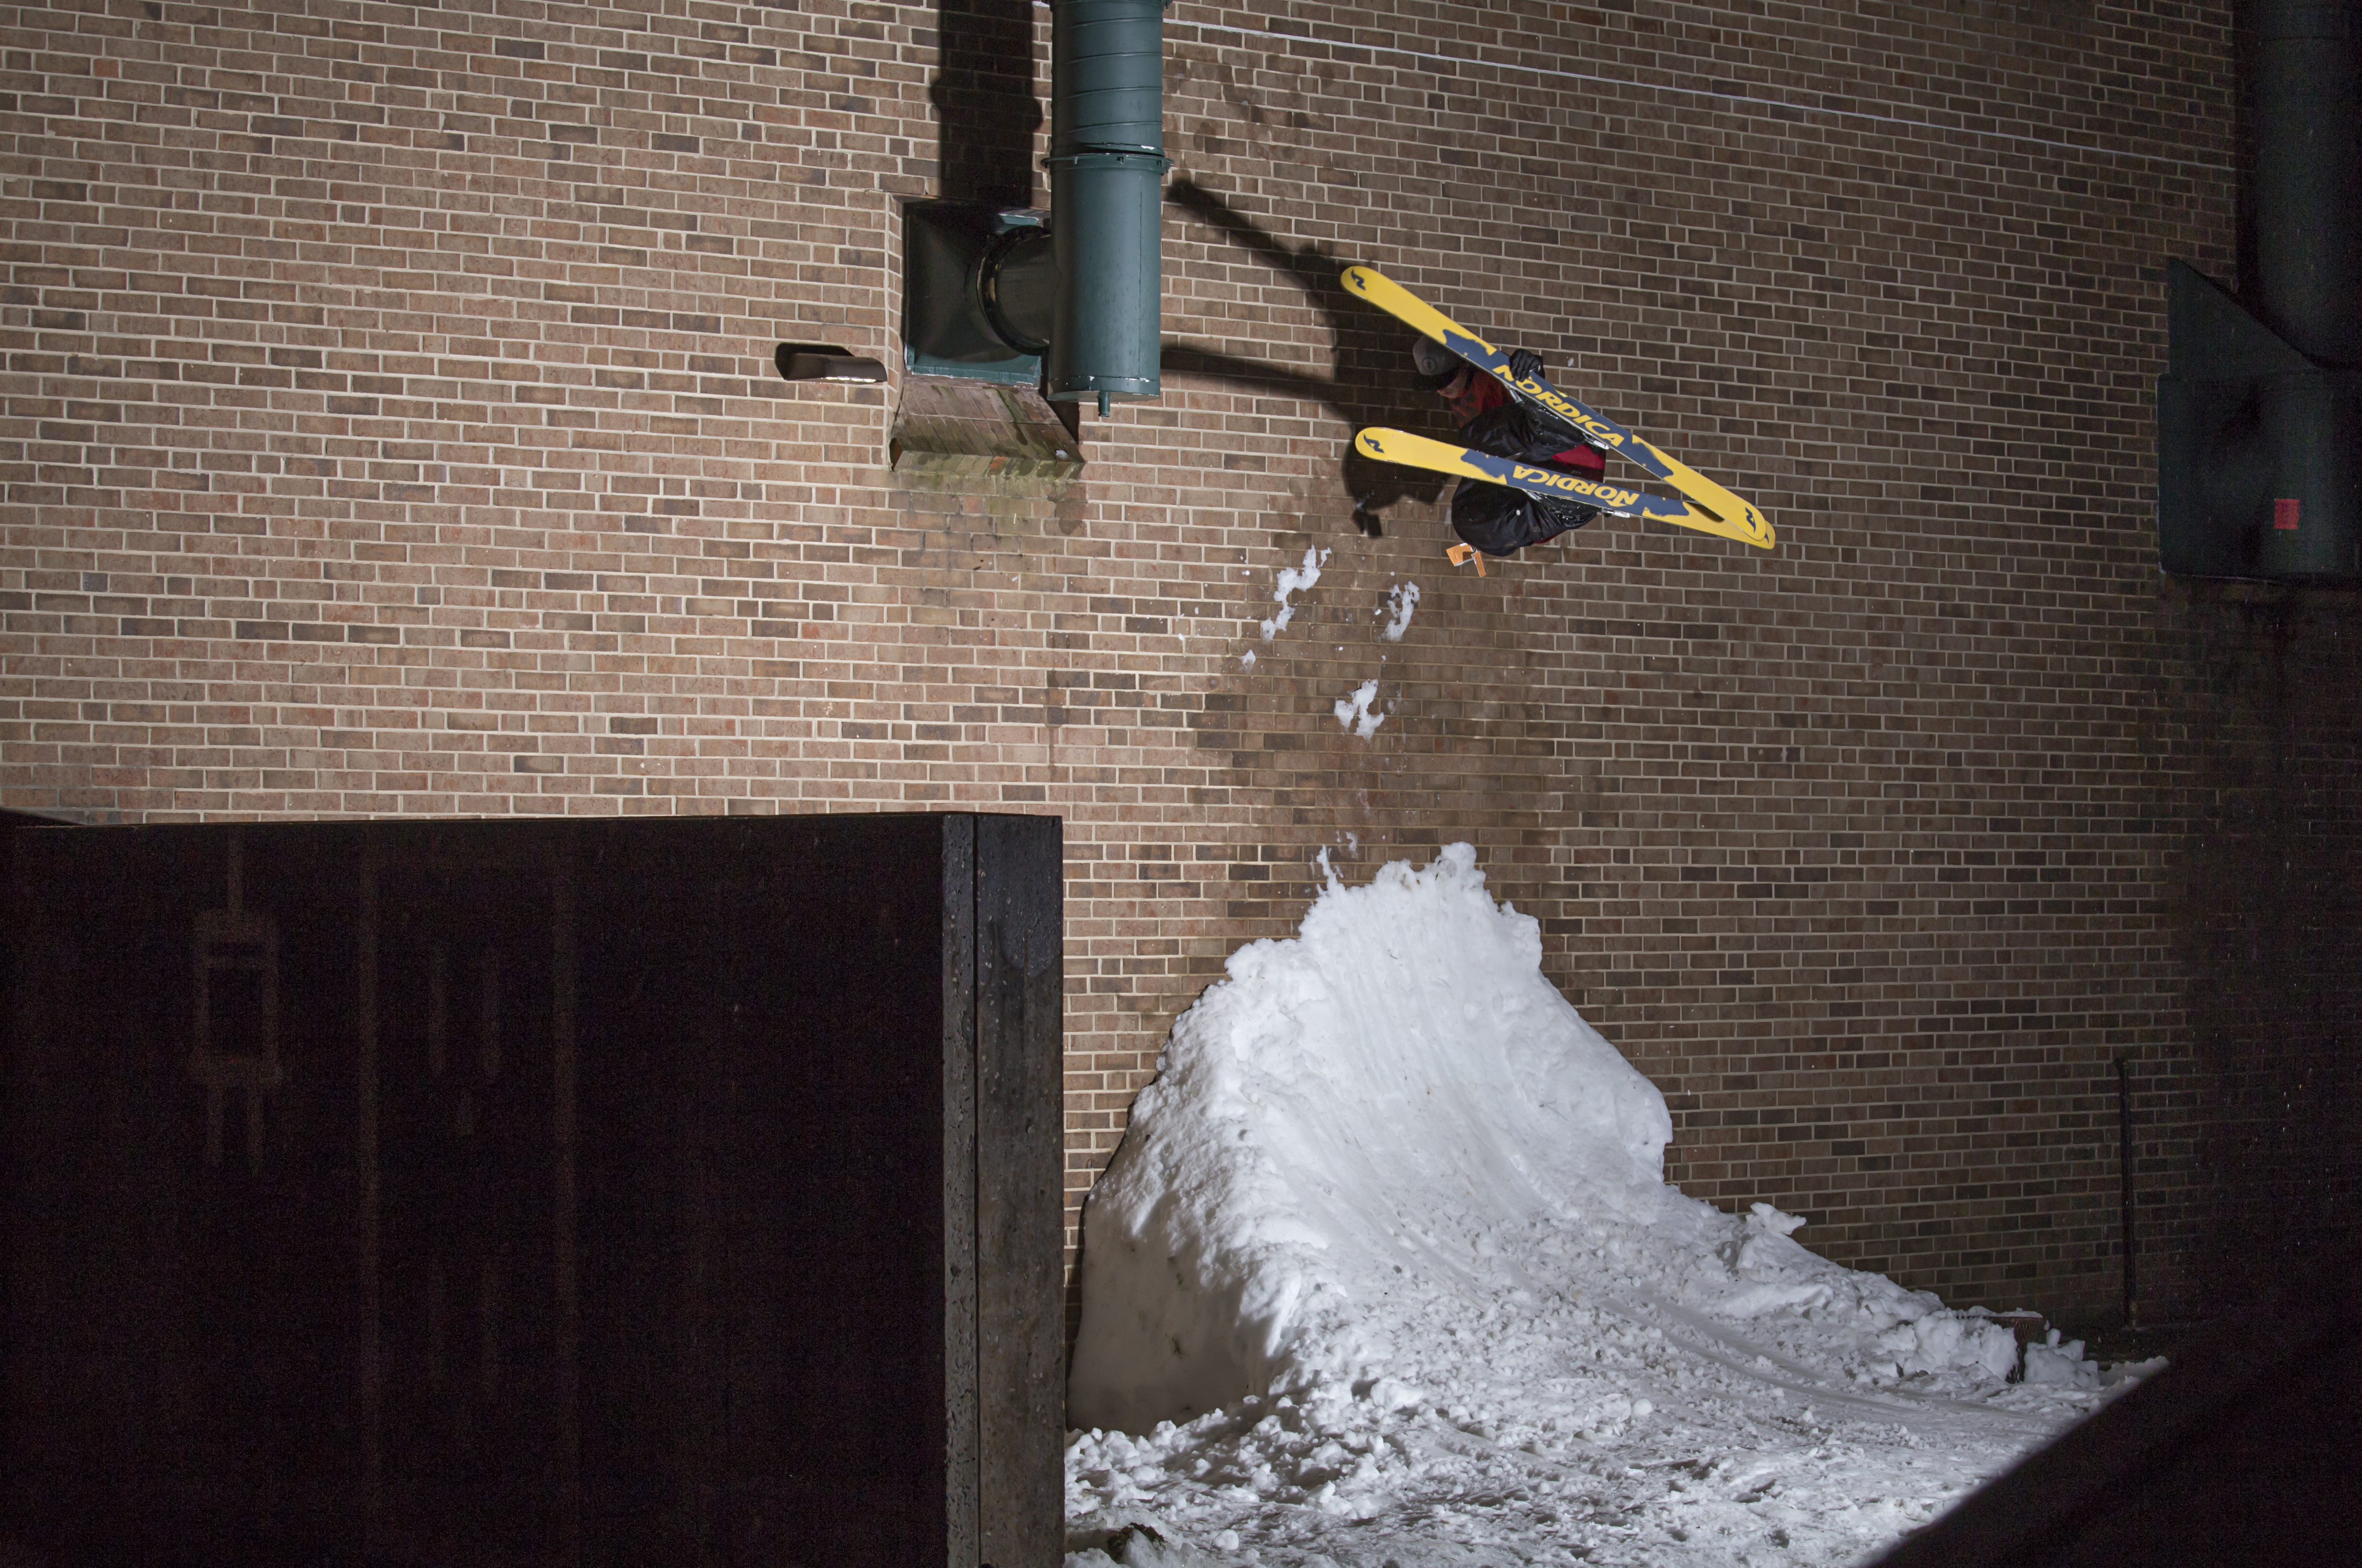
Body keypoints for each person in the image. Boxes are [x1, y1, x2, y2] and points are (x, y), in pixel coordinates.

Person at [1413, 337, 1605, 559]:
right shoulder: (1461, 401)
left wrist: (1531, 378)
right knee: (1465, 517)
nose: (1442, 390)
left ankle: (1551, 429)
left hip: (1566, 451)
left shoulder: (1491, 376)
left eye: (1447, 380)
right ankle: (1564, 512)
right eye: (1436, 386)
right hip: (1548, 482)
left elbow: (1522, 394)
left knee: (1472, 439)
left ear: (1464, 365)